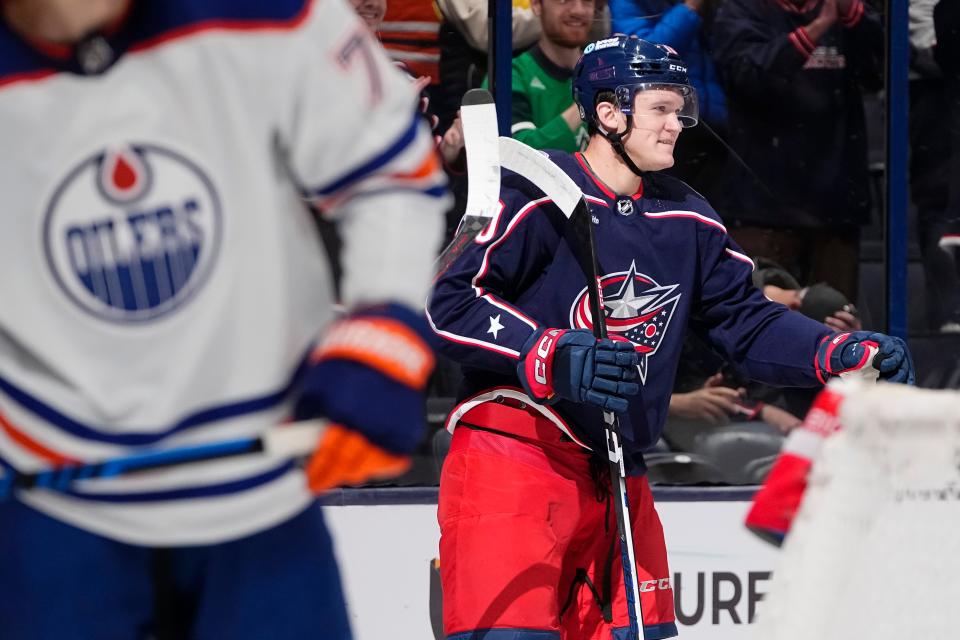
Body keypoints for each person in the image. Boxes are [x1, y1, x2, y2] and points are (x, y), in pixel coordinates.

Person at [427, 35, 913, 640]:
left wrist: (834, 352)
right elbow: (447, 302)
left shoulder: (690, 215)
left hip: (619, 470)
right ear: (608, 113)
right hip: (515, 456)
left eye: (681, 108)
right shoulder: (531, 191)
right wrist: (546, 353)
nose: (677, 123)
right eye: (660, 107)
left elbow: (746, 318)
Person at [0, 1, 446, 638]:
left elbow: (389, 169)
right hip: (54, 511)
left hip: (259, 502)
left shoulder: (268, 12)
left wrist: (384, 328)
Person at [711, 0, 884, 302]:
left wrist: (853, 16)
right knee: (759, 323)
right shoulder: (741, 9)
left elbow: (880, 70)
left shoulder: (848, 12)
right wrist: (816, 29)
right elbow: (750, 77)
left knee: (837, 324)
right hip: (762, 205)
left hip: (835, 204)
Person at [609, 0, 730, 203]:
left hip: (716, 127)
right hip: (663, 126)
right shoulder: (626, 3)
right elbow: (648, 55)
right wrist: (690, 8)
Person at [501, 0, 597, 152]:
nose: (578, 10)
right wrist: (588, 98)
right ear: (536, 5)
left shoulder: (606, 66)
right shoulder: (511, 76)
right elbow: (519, 158)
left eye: (587, 1)